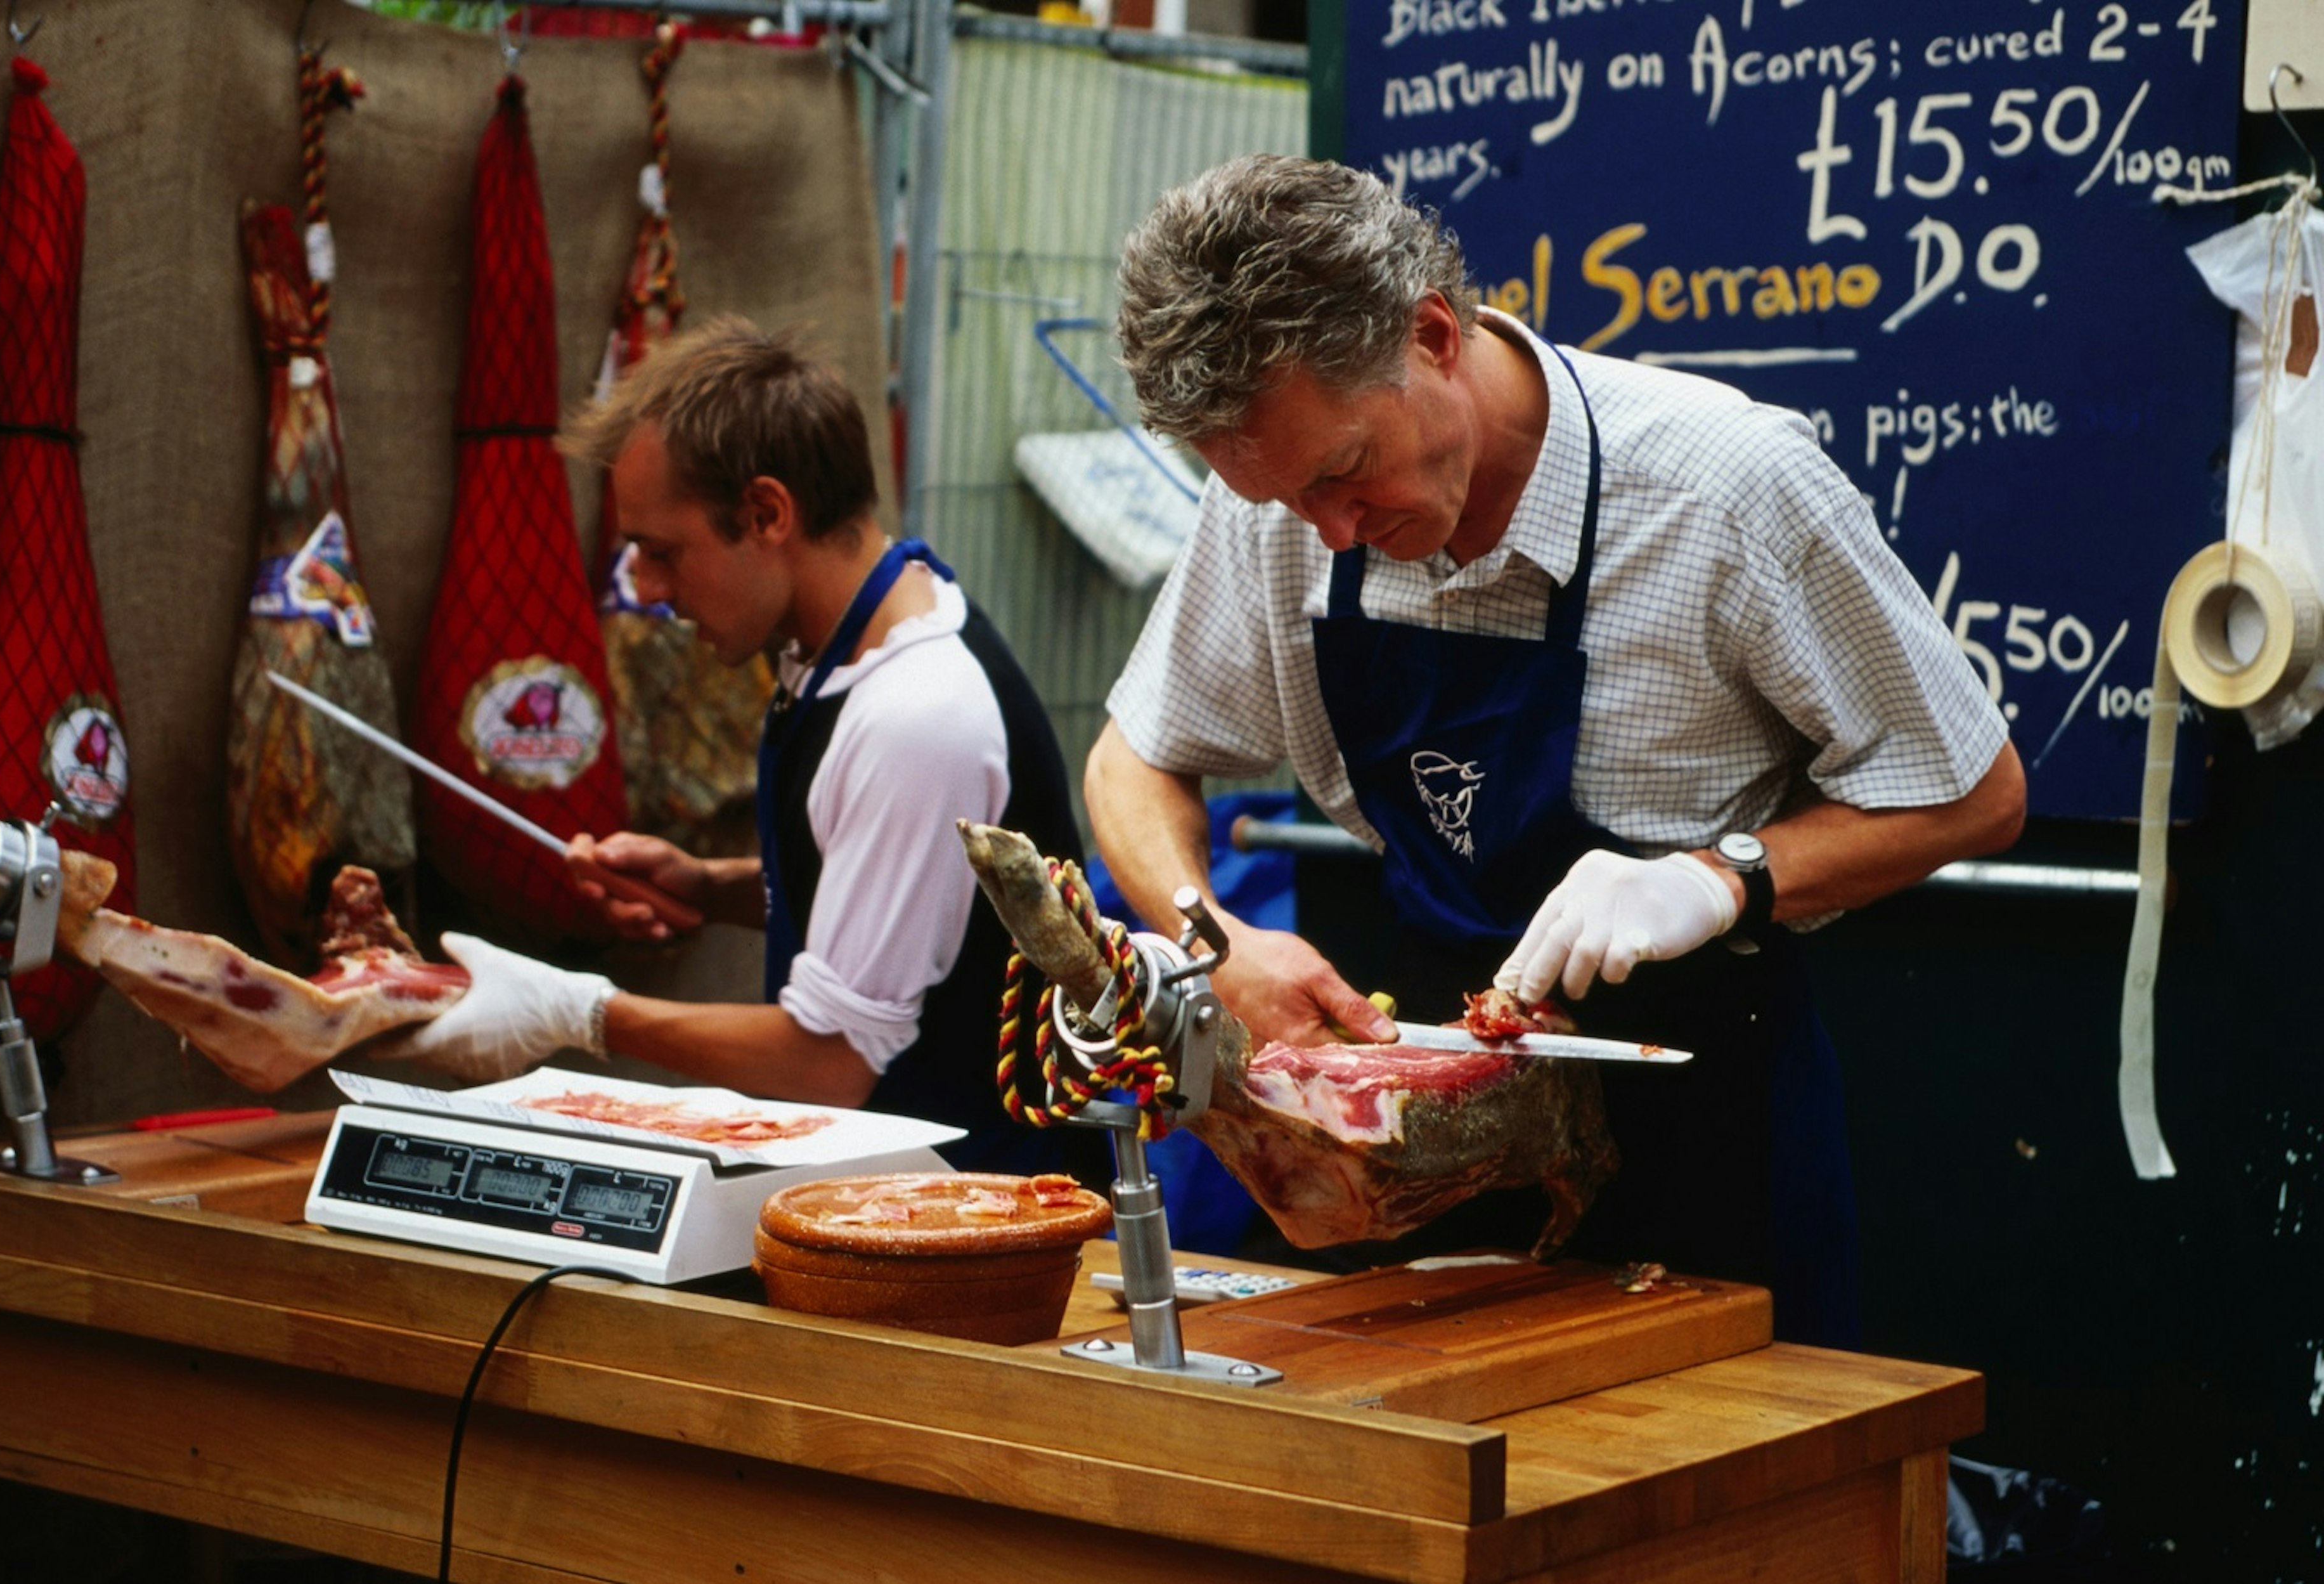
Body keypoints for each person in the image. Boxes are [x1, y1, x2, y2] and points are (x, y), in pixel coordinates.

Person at [1087, 155, 2026, 1344]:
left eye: (1342, 473)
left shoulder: (1729, 490)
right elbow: (1132, 758)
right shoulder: (1277, 499)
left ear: (1432, 334)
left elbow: (1974, 795)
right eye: (1284, 502)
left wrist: (1718, 876)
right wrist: (1203, 936)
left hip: (1698, 1129)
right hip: (1408, 1127)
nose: (1327, 533)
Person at [389, 316, 1093, 1181]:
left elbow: (826, 1062)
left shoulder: (916, 711)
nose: (646, 590)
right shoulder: (850, 636)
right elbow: (916, 902)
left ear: (766, 513)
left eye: (660, 551)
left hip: (987, 1214)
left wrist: (573, 1011)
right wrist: (711, 884)